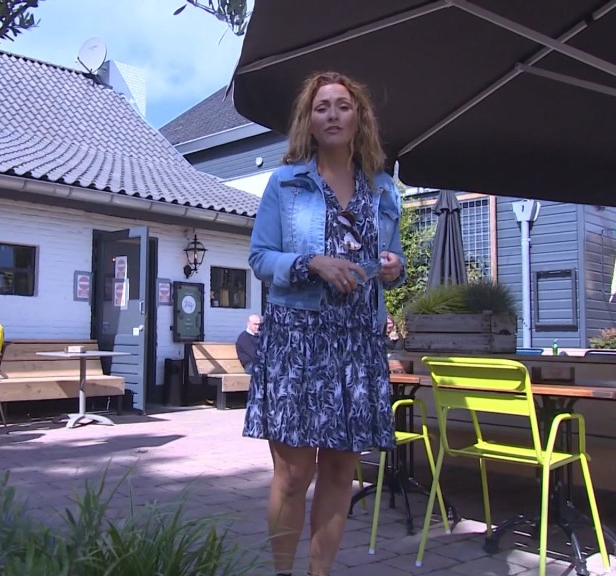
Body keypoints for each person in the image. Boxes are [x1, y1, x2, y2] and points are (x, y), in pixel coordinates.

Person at [244, 71, 406, 576]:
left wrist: (394, 267)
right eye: (322, 107)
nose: (332, 114)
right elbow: (259, 257)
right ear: (309, 121)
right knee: (294, 476)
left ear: (359, 118)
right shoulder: (286, 184)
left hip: (358, 344)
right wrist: (310, 263)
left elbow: (392, 261)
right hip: (297, 341)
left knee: (339, 474)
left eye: (342, 105)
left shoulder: (382, 190)